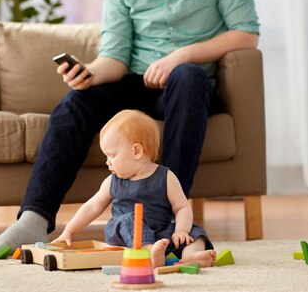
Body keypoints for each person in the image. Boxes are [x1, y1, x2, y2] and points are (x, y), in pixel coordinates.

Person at [0, 0, 259, 259]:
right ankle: (34, 217)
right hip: (135, 81)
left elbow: (246, 35)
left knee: (189, 76)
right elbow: (115, 56)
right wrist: (90, 73)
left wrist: (182, 55)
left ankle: (169, 223)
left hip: (187, 86)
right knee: (76, 102)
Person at [51, 110, 216, 267]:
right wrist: (69, 230)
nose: (107, 161)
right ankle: (149, 253)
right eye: (106, 156)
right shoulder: (112, 181)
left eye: (112, 155)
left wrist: (180, 231)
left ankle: (190, 255)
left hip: (161, 234)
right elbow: (91, 206)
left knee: (195, 231)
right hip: (125, 234)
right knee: (128, 218)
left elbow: (182, 207)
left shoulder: (166, 177)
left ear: (136, 151)